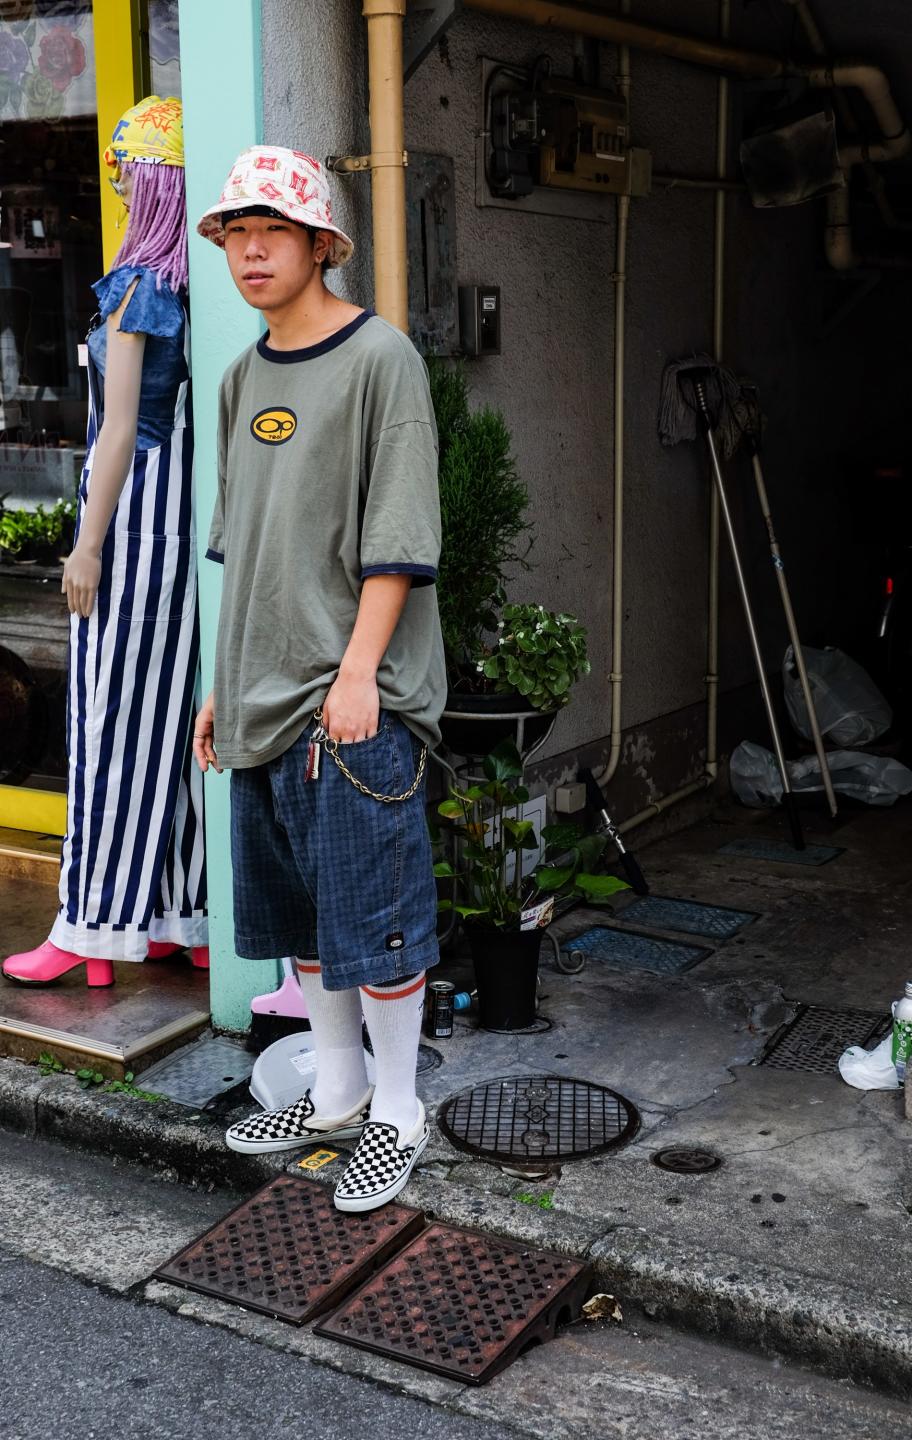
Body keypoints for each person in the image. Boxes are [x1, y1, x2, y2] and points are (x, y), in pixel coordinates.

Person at [192, 146, 444, 1212]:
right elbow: (243, 544)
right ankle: (334, 1089)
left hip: (350, 700)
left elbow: (397, 532)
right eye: (235, 233)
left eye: (272, 232)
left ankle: (397, 1111)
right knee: (304, 923)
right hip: (258, 694)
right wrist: (221, 681)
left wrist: (359, 674)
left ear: (317, 245)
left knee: (376, 922)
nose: (250, 250)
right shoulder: (243, 376)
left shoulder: (382, 358)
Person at [2, 96, 207, 988]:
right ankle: (183, 915)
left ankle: (89, 928)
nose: (116, 181)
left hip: (129, 530)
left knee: (111, 727)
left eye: (125, 168)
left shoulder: (137, 288)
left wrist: (86, 546)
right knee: (176, 726)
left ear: (150, 180)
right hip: (180, 533)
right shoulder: (196, 288)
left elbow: (118, 430)